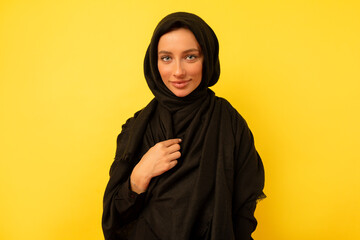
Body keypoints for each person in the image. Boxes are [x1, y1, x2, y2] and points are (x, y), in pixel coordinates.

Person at [102, 12, 265, 240]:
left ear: (207, 58)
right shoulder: (137, 128)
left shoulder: (228, 122)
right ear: (154, 62)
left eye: (190, 57)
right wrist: (139, 175)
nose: (178, 72)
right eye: (166, 58)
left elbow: (244, 208)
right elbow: (114, 219)